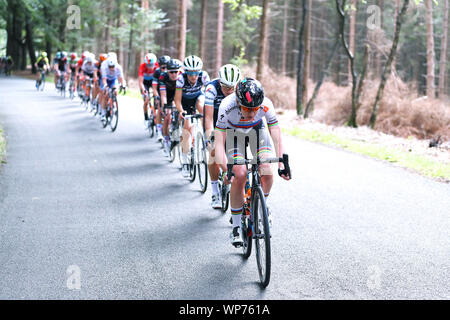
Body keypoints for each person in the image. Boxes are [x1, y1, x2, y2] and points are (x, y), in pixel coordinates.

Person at [213, 78, 291, 247]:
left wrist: (281, 162)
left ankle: (260, 206)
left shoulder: (266, 104)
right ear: (238, 102)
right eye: (248, 109)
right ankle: (236, 226)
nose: (252, 113)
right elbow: (219, 143)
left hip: (258, 132)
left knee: (267, 170)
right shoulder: (226, 106)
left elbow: (276, 134)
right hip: (234, 135)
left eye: (255, 109)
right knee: (239, 174)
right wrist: (226, 169)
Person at [204, 64, 242, 209]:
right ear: (220, 82)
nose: (230, 91)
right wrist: (210, 137)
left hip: (232, 122)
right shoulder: (211, 89)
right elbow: (207, 117)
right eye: (226, 87)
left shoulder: (240, 89)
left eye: (233, 87)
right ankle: (214, 192)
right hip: (214, 120)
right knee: (213, 152)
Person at [175, 55, 210, 177]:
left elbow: (210, 95)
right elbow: (177, 99)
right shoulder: (180, 78)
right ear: (186, 72)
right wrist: (181, 111)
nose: (193, 76)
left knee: (202, 106)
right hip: (184, 102)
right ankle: (185, 159)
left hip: (197, 98)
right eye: (190, 73)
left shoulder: (204, 76)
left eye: (196, 73)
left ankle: (206, 133)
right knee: (187, 127)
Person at [158, 58, 182, 154]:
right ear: (167, 72)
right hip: (166, 95)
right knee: (167, 116)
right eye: (171, 72)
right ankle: (166, 138)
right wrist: (164, 106)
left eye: (176, 72)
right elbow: (163, 95)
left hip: (177, 95)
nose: (174, 74)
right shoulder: (163, 77)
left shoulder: (181, 77)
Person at [100, 55, 125, 122]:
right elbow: (104, 79)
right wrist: (105, 86)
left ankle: (113, 102)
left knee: (115, 90)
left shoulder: (118, 67)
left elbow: (121, 78)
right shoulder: (104, 67)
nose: (111, 68)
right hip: (106, 79)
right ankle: (102, 113)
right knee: (105, 94)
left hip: (114, 79)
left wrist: (123, 85)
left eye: (113, 66)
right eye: (110, 67)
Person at [138, 53, 159, 134]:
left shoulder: (157, 66)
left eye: (151, 65)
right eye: (148, 65)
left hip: (154, 82)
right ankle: (146, 118)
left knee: (157, 100)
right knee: (146, 100)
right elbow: (140, 82)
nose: (150, 67)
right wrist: (144, 90)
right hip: (145, 83)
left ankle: (156, 114)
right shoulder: (142, 66)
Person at [152, 55, 170, 141]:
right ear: (159, 67)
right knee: (160, 108)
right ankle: (159, 132)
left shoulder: (172, 72)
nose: (165, 70)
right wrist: (156, 97)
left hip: (169, 91)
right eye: (163, 67)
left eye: (167, 67)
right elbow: (154, 88)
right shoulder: (157, 72)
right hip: (160, 90)